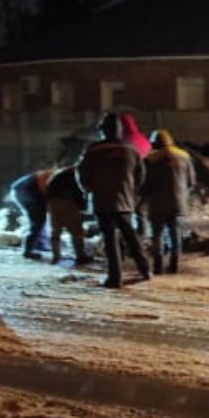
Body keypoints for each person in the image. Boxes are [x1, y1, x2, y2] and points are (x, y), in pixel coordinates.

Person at [77, 112, 150, 288]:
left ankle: (115, 278)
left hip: (102, 200)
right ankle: (145, 269)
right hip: (125, 200)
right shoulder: (131, 149)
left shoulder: (93, 150)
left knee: (110, 240)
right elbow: (141, 175)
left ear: (103, 130)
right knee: (131, 236)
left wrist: (88, 189)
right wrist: (132, 191)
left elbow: (82, 174)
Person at [140, 129, 195, 274]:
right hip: (178, 203)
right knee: (175, 235)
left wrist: (143, 197)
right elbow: (191, 181)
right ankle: (174, 265)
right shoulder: (184, 156)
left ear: (154, 143)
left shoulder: (150, 159)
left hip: (157, 204)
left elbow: (145, 184)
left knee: (157, 235)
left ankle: (158, 267)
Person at [45, 165, 90, 265]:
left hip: (52, 202)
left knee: (55, 229)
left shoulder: (59, 174)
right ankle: (80, 256)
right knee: (76, 230)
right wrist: (82, 206)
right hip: (68, 201)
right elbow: (79, 190)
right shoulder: (76, 174)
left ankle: (56, 256)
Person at [10, 169, 52, 259]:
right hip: (24, 190)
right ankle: (28, 251)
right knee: (38, 220)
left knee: (41, 218)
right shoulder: (59, 177)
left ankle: (40, 244)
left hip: (24, 189)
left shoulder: (61, 175)